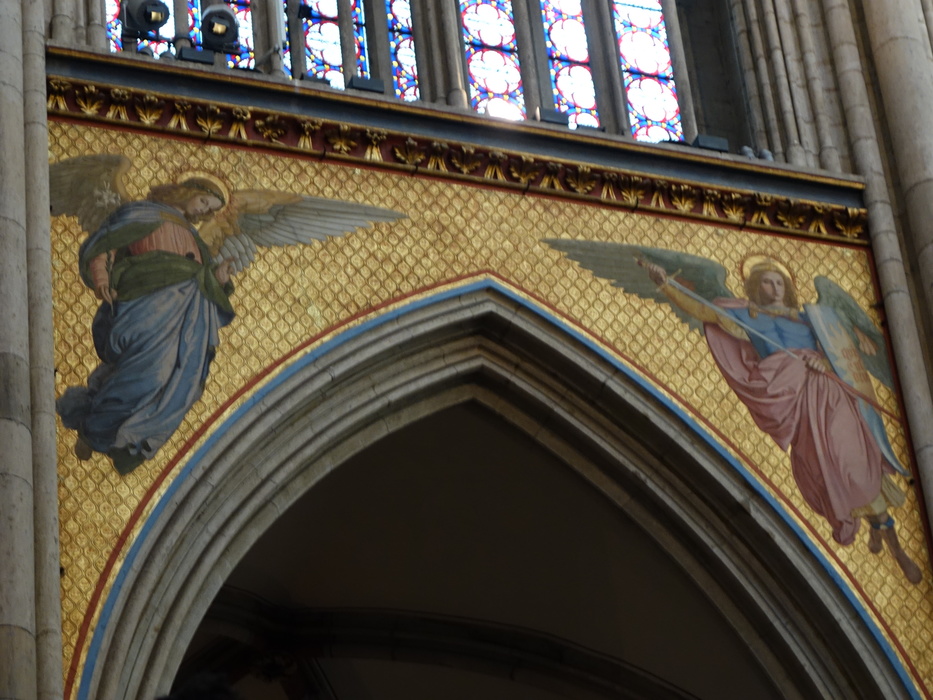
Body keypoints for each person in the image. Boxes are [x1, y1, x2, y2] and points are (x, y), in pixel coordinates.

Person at [641, 258, 922, 583]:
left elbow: (840, 351)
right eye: (767, 282)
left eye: (779, 283)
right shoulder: (746, 315)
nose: (774, 288)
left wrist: (826, 364)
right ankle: (872, 524)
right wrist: (665, 284)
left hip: (828, 392)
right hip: (791, 398)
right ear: (755, 285)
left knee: (855, 459)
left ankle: (895, 546)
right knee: (821, 467)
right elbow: (704, 311)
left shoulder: (810, 318)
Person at [57, 178, 235, 475]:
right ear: (188, 192)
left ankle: (123, 438)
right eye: (204, 202)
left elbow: (201, 277)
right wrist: (102, 279)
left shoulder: (194, 238)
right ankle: (95, 430)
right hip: (145, 307)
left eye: (210, 210)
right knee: (151, 375)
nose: (204, 211)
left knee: (182, 383)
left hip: (187, 319)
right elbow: (107, 246)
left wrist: (218, 279)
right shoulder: (142, 213)